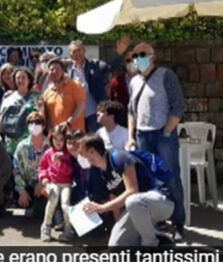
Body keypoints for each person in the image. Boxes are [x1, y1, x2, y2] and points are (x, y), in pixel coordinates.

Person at [126, 41, 186, 239]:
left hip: (162, 134)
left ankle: (178, 223)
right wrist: (131, 137)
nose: (137, 58)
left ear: (153, 56)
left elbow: (178, 105)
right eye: (134, 55)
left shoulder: (166, 75)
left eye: (142, 54)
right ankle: (158, 221)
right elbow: (131, 110)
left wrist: (167, 131)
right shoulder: (134, 81)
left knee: (171, 179)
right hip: (143, 135)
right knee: (150, 181)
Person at [81, 135, 175, 247]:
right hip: (138, 211)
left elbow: (132, 190)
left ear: (91, 151)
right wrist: (119, 227)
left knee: (132, 200)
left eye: (82, 152)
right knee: (116, 247)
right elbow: (115, 202)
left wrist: (103, 207)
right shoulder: (103, 173)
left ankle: (150, 245)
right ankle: (160, 238)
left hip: (161, 201)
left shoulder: (119, 157)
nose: (80, 156)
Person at [67, 37, 131, 132]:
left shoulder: (95, 65)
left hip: (94, 114)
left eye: (79, 50)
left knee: (98, 141)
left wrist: (119, 53)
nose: (77, 54)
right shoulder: (69, 71)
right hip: (77, 115)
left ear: (84, 51)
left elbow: (110, 67)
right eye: (74, 52)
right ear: (70, 55)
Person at [38, 123, 76, 242]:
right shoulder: (48, 153)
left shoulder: (68, 153)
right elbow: (42, 167)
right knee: (52, 201)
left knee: (65, 204)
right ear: (51, 138)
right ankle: (46, 227)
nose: (58, 142)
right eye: (55, 139)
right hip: (53, 183)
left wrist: (61, 164)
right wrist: (44, 179)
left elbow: (71, 171)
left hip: (66, 183)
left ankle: (68, 229)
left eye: (61, 139)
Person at [0, 68, 43, 155]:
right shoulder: (8, 97)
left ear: (29, 80)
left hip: (29, 140)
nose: (20, 80)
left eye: (23, 77)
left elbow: (42, 117)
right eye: (18, 78)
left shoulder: (36, 97)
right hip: (10, 142)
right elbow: (2, 116)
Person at [12, 112, 50, 217]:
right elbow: (16, 169)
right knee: (28, 210)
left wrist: (41, 183)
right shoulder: (21, 146)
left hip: (45, 184)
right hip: (27, 185)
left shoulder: (51, 145)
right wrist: (21, 190)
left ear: (44, 125)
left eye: (37, 122)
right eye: (30, 122)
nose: (34, 125)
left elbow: (54, 169)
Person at [41, 59, 86, 132]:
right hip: (58, 136)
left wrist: (68, 123)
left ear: (63, 71)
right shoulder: (47, 93)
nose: (54, 72)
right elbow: (48, 116)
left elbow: (81, 106)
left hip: (75, 134)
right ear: (48, 73)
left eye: (58, 69)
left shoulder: (75, 85)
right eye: (52, 69)